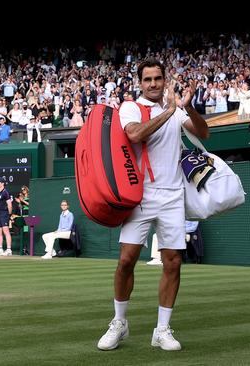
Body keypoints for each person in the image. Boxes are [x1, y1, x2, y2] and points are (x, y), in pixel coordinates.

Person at [97, 58, 209, 352]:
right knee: (126, 260)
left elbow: (203, 133)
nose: (153, 84)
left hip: (173, 196)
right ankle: (120, 323)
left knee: (172, 262)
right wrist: (170, 111)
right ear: (140, 82)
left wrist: (190, 107)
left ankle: (162, 329)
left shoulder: (176, 107)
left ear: (164, 79)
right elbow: (134, 133)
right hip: (140, 195)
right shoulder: (132, 107)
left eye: (157, 79)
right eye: (147, 79)